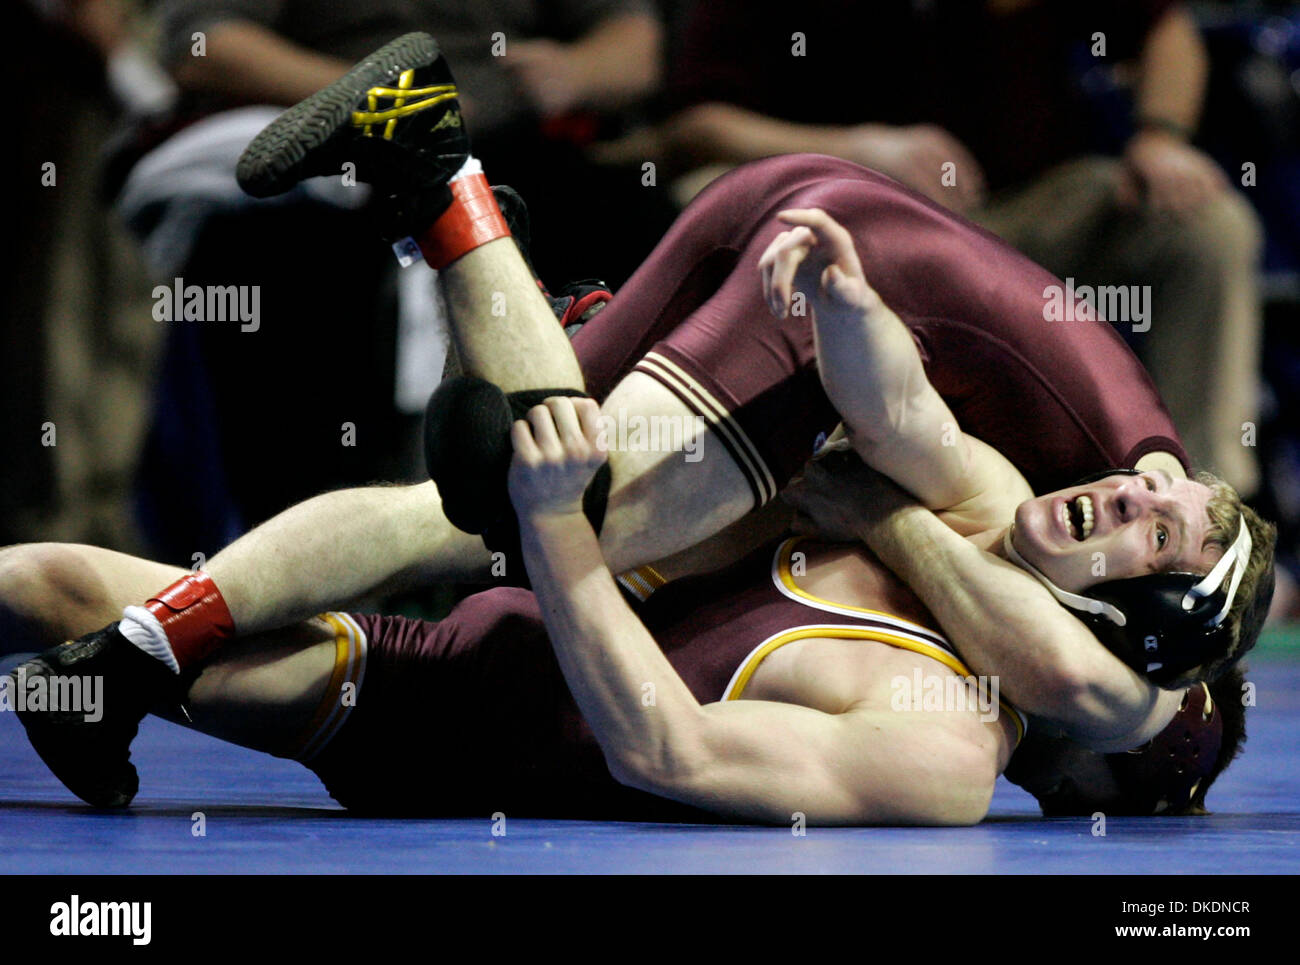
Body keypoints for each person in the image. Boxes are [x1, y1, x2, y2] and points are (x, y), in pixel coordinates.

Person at [4, 33, 1274, 818]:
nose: (1121, 492)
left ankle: (457, 221)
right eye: (1150, 491)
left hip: (459, 706)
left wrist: (559, 535)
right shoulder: (993, 504)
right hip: (823, 264)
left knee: (471, 494)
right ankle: (441, 184)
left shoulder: (941, 744)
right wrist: (843, 307)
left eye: (1146, 533)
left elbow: (663, 744)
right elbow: (902, 406)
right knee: (524, 493)